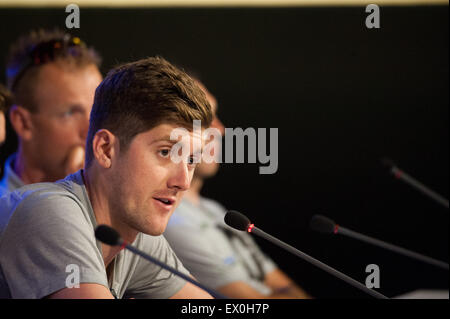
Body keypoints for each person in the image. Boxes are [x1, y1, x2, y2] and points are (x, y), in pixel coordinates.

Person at [0, 56, 213, 299]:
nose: (183, 181)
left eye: (192, 160)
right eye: (165, 152)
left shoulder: (135, 233)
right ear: (105, 150)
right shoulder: (48, 212)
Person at [164, 80, 311, 298]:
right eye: (205, 118)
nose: (220, 130)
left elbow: (281, 284)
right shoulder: (170, 216)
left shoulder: (217, 210)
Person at [0, 29, 103, 196]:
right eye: (71, 113)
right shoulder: (5, 216)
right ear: (23, 123)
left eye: (98, 110)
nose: (92, 131)